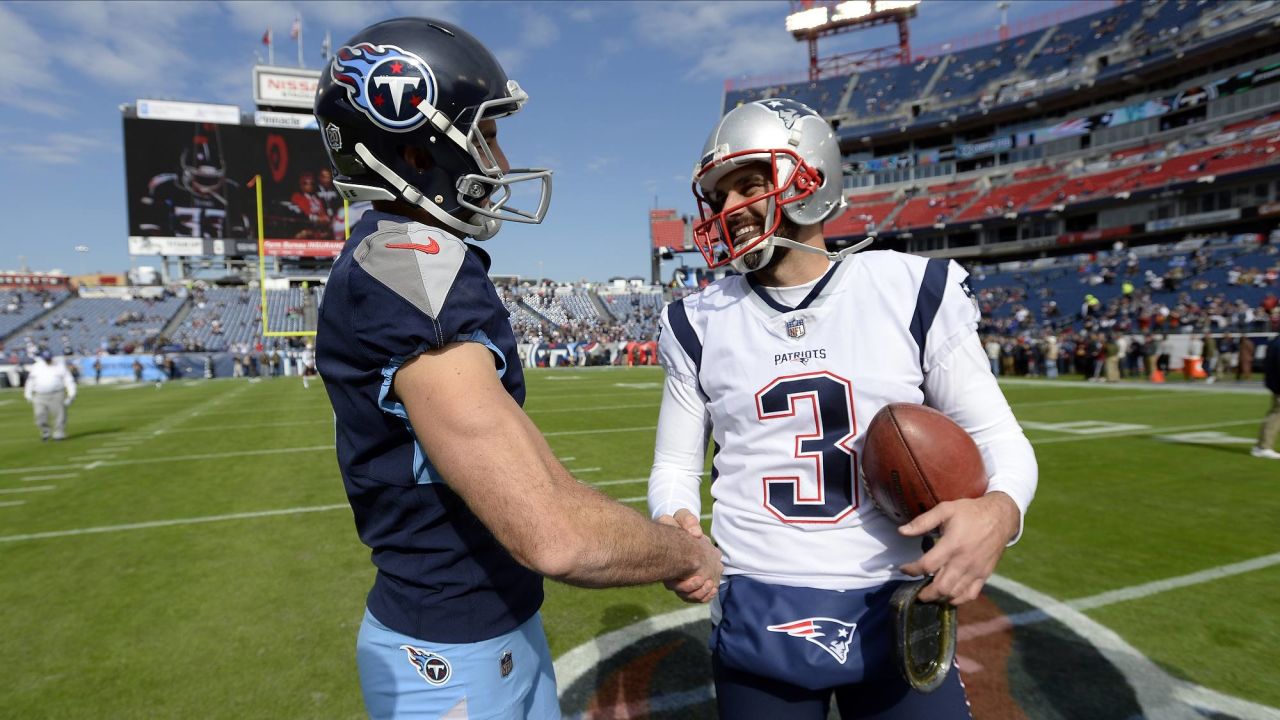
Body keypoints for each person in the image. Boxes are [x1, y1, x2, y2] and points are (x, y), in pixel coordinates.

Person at [312, 18, 721, 720]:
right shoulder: (408, 267)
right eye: (486, 133)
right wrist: (684, 555)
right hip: (451, 660)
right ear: (417, 143)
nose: (498, 161)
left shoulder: (415, 261)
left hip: (489, 631)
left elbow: (544, 482)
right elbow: (551, 531)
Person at [647, 99, 1037, 719]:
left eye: (750, 184)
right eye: (718, 196)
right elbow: (673, 464)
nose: (729, 211)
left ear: (812, 180)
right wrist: (675, 519)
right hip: (757, 599)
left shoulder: (908, 288)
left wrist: (1000, 510)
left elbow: (1000, 440)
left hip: (898, 597)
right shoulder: (696, 319)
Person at [24, 349, 76, 441]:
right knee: (39, 415)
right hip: (40, 394)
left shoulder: (59, 366)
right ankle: (45, 431)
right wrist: (28, 393)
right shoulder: (37, 367)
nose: (48, 361)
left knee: (60, 415)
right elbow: (30, 381)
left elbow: (68, 380)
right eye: (46, 359)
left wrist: (71, 394)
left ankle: (59, 433)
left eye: (49, 359)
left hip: (57, 393)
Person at [1253, 334, 1280, 459]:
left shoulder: (1274, 341)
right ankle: (1264, 446)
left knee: (1275, 413)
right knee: (1276, 415)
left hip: (1274, 383)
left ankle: (1261, 446)